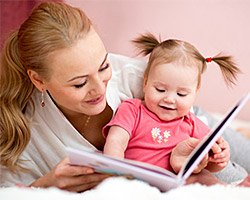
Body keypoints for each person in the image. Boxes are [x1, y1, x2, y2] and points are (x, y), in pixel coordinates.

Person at [0, 1, 249, 192]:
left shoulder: (132, 75)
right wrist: (47, 184)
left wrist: (223, 169)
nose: (100, 89)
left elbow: (191, 129)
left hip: (194, 125)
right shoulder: (21, 130)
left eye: (103, 66)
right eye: (80, 83)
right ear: (39, 80)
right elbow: (10, 191)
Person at [103, 33, 236, 173]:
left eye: (181, 94)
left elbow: (208, 166)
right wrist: (114, 170)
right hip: (134, 178)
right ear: (145, 82)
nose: (169, 99)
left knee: (206, 178)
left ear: (195, 92)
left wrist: (219, 158)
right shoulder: (132, 110)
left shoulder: (191, 123)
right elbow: (116, 141)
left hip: (174, 183)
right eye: (160, 90)